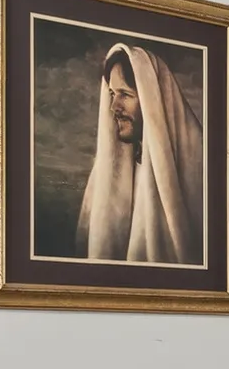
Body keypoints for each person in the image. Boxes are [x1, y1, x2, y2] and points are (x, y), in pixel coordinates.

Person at [74, 43, 205, 264]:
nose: (114, 107)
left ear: (151, 99)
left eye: (125, 94)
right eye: (112, 94)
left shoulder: (200, 162)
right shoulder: (108, 172)